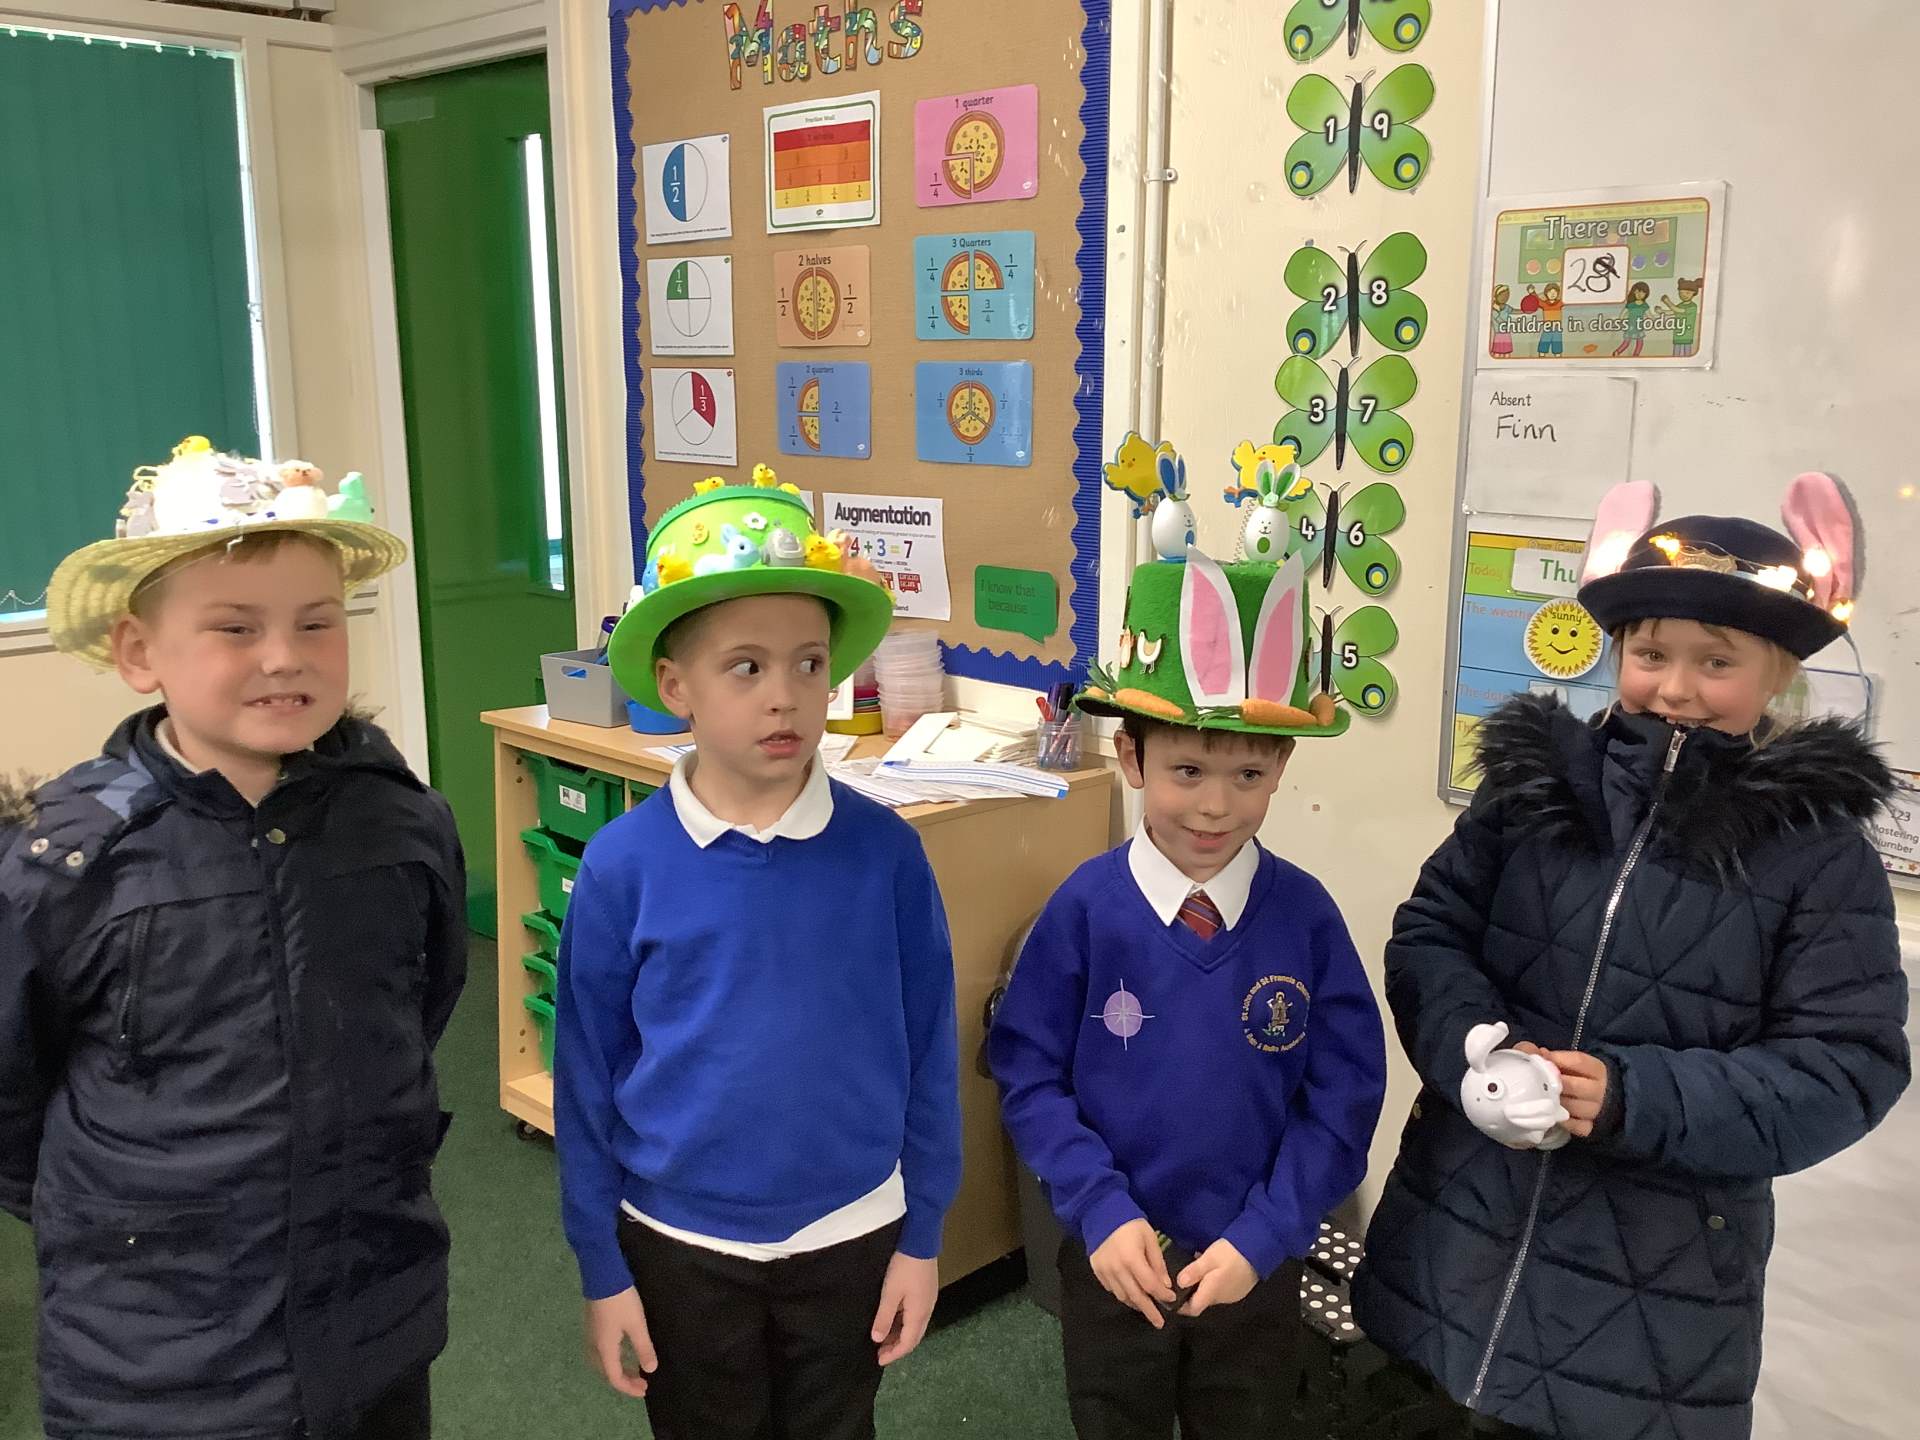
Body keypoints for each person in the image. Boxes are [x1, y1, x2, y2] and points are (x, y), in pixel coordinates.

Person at [1353, 478, 1911, 1440]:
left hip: (1652, 1305)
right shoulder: (1533, 788)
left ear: (1777, 673)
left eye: (1717, 662)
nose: (1676, 688)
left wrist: (1630, 1098)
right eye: (1651, 654)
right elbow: (1432, 931)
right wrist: (1471, 1052)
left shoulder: (1818, 851)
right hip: (1450, 1239)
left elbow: (1847, 1066)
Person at [0, 437, 466, 1440]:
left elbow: (418, 1007)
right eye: (235, 627)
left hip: (371, 1320)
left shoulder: (405, 822)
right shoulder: (65, 862)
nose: (285, 656)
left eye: (317, 623)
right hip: (159, 1358)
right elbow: (11, 1091)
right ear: (140, 654)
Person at [554, 472, 963, 1440]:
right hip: (679, 1241)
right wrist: (601, 1266)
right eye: (745, 667)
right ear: (675, 687)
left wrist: (924, 1234)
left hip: (851, 1229)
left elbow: (930, 1048)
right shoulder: (622, 866)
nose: (785, 697)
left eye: (809, 664)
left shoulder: (887, 854)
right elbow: (586, 1077)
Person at [991, 547, 1387, 1438]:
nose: (1215, 807)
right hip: (1114, 1255)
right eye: (1188, 772)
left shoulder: (1307, 918)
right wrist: (1098, 1207)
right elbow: (1028, 1074)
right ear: (1131, 756)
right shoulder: (1084, 909)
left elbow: (1345, 1097)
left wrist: (1267, 1234)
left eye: (1248, 776)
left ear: (1281, 765)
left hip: (1254, 1264)